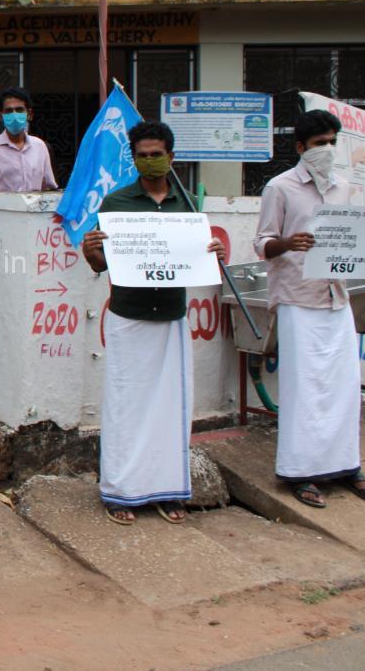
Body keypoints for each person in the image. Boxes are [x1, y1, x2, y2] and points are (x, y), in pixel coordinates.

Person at [81, 121, 224, 525]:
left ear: (171, 156)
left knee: (170, 407)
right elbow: (101, 264)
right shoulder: (117, 203)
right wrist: (90, 251)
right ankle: (122, 492)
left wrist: (213, 250)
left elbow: (202, 259)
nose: (150, 160)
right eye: (142, 155)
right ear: (134, 158)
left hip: (172, 320)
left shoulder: (189, 204)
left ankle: (166, 490)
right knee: (126, 404)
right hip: (129, 317)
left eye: (156, 153)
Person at [254, 109, 365, 509]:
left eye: (332, 142)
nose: (327, 150)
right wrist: (288, 244)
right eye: (319, 144)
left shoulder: (343, 186)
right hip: (298, 298)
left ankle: (346, 465)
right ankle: (300, 470)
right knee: (303, 388)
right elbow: (263, 244)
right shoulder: (280, 188)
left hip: (337, 297)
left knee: (344, 386)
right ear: (300, 148)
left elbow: (355, 238)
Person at [0, 86, 58, 211]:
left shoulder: (40, 146)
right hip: (3, 223)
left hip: (35, 222)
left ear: (29, 114)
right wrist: (5, 214)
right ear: (1, 115)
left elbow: (48, 188)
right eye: (9, 111)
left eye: (19, 110)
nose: (14, 115)